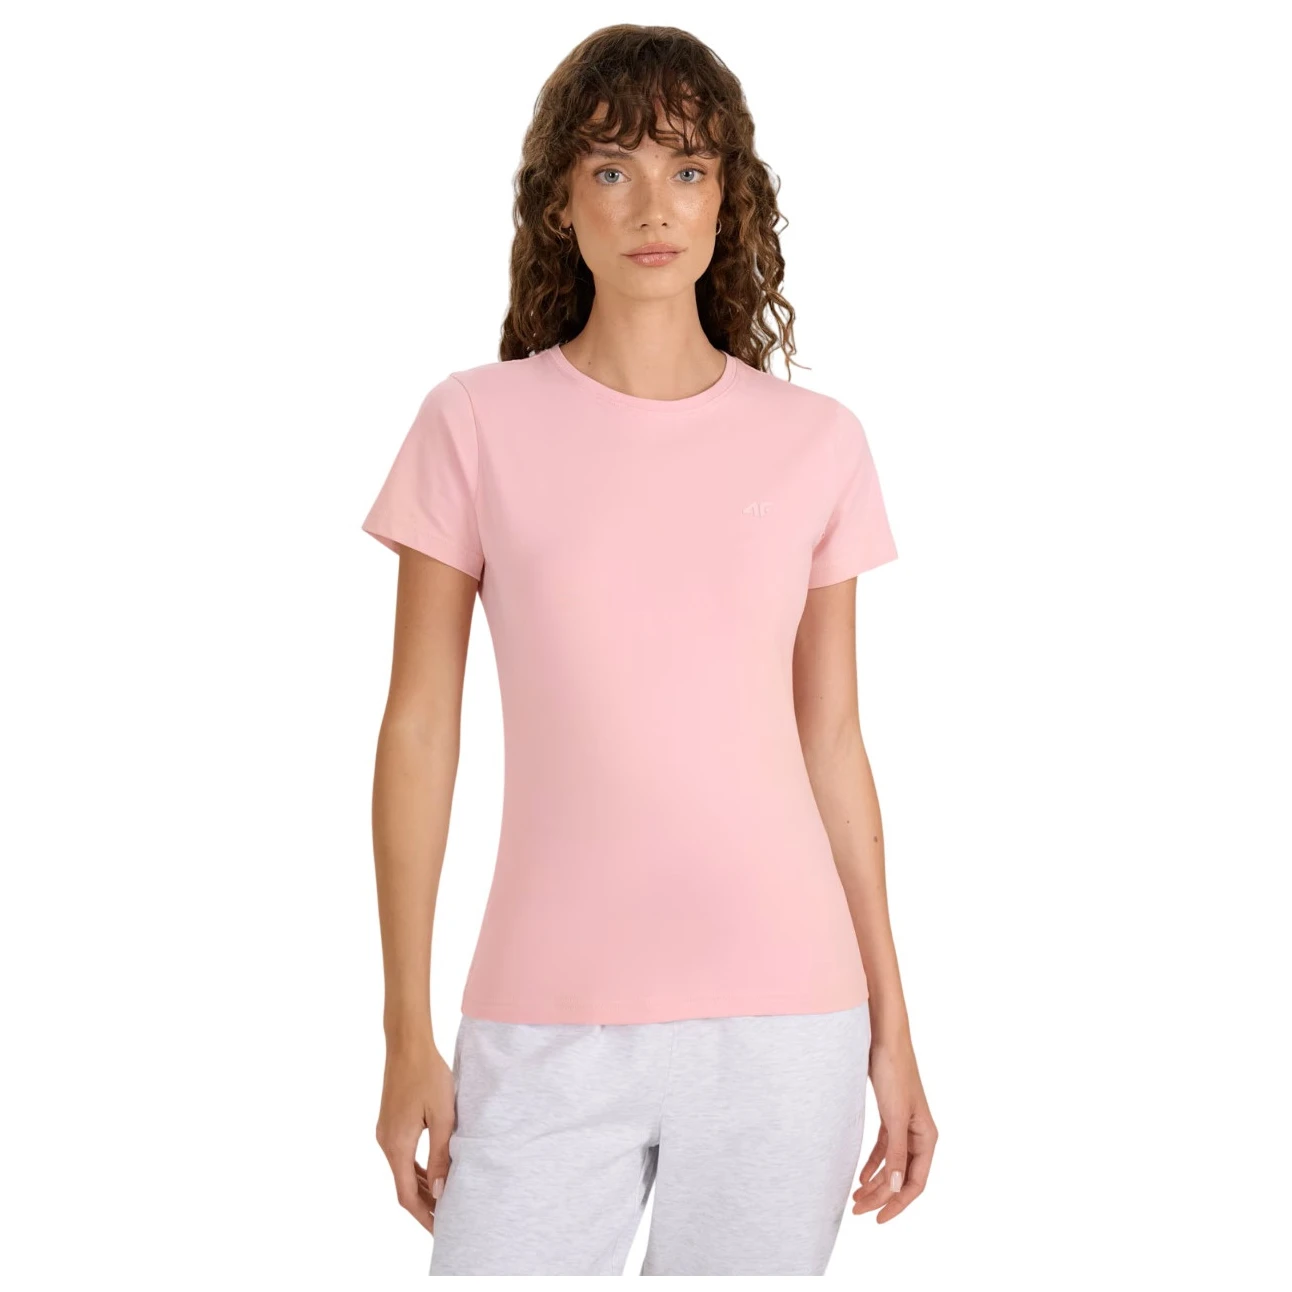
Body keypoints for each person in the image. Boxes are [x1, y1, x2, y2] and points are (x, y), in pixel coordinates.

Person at [361, 23, 936, 1277]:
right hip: (543, 1019)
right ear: (559, 200)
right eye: (610, 168)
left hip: (789, 1019)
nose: (651, 206)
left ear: (729, 197)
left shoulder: (816, 441)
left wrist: (892, 1025)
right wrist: (405, 1026)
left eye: (687, 167)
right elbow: (418, 729)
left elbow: (833, 741)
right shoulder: (473, 423)